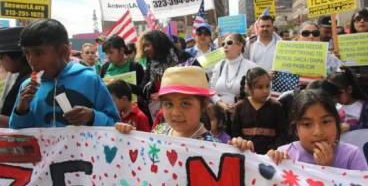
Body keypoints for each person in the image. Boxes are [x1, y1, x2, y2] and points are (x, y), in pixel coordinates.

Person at [9, 19, 119, 128]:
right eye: (27, 53)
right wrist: (21, 110)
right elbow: (19, 134)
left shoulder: (90, 79)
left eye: (39, 53)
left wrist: (92, 116)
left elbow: (114, 123)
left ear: (63, 52)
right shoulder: (26, 87)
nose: (31, 61)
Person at [115, 66, 253, 151]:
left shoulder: (216, 149)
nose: (175, 113)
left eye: (185, 104)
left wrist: (244, 153)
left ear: (204, 105)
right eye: (168, 104)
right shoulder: (159, 131)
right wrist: (127, 137)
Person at [267, 90, 368, 170]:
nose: (318, 132)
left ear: (337, 124)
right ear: (296, 129)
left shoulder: (352, 156)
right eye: (307, 124)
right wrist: (269, 165)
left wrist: (327, 170)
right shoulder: (284, 155)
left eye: (325, 122)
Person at [209, 33, 257, 134]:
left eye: (229, 42)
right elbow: (211, 90)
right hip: (219, 117)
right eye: (223, 44)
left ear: (240, 46)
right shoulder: (219, 65)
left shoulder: (251, 66)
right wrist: (221, 104)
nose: (225, 46)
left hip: (242, 117)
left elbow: (256, 92)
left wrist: (239, 105)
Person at [232, 67, 287, 154]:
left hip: (270, 157)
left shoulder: (276, 107)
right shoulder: (240, 107)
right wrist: (241, 143)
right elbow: (235, 133)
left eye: (267, 86)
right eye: (260, 87)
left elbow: (282, 134)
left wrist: (274, 149)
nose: (265, 91)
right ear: (249, 89)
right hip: (246, 154)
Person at [0, 27, 32, 127]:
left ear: (14, 56)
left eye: (1, 57)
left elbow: (17, 123)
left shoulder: (29, 82)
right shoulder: (21, 77)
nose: (1, 62)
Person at [328, 67, 368, 133]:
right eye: (332, 94)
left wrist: (350, 128)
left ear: (349, 89)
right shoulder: (330, 107)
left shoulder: (366, 108)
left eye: (339, 93)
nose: (336, 97)